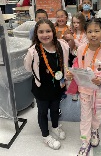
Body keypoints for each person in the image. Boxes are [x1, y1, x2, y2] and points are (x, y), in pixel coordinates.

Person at [66, 18, 101, 156]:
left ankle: (95, 130)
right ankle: (85, 140)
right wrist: (72, 73)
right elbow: (77, 64)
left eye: (97, 31)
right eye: (90, 31)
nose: (93, 34)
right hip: (84, 90)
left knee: (98, 114)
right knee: (85, 116)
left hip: (99, 92)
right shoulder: (81, 49)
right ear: (86, 33)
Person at [24, 19, 69, 150]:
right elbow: (28, 67)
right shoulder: (33, 51)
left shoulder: (62, 45)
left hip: (57, 86)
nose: (45, 35)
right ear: (36, 34)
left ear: (53, 32)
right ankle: (45, 136)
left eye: (48, 31)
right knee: (43, 112)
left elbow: (66, 61)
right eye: (41, 32)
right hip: (41, 88)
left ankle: (55, 126)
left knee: (55, 109)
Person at [70, 13, 88, 101]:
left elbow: (83, 47)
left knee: (81, 75)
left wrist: (73, 40)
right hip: (73, 56)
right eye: (74, 22)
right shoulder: (71, 32)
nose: (75, 25)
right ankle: (74, 92)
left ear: (83, 23)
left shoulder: (85, 34)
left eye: (78, 22)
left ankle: (82, 91)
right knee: (74, 75)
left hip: (82, 58)